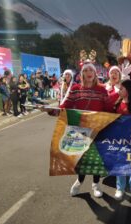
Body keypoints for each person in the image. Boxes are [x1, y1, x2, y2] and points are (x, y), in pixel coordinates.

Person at [46, 63, 110, 198]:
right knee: (81, 157)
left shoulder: (102, 90)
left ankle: (95, 184)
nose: (88, 72)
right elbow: (64, 106)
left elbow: (109, 109)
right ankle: (79, 181)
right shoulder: (75, 89)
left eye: (91, 70)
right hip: (80, 129)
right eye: (85, 70)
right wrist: (50, 110)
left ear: (95, 73)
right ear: (82, 74)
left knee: (96, 158)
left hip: (97, 129)